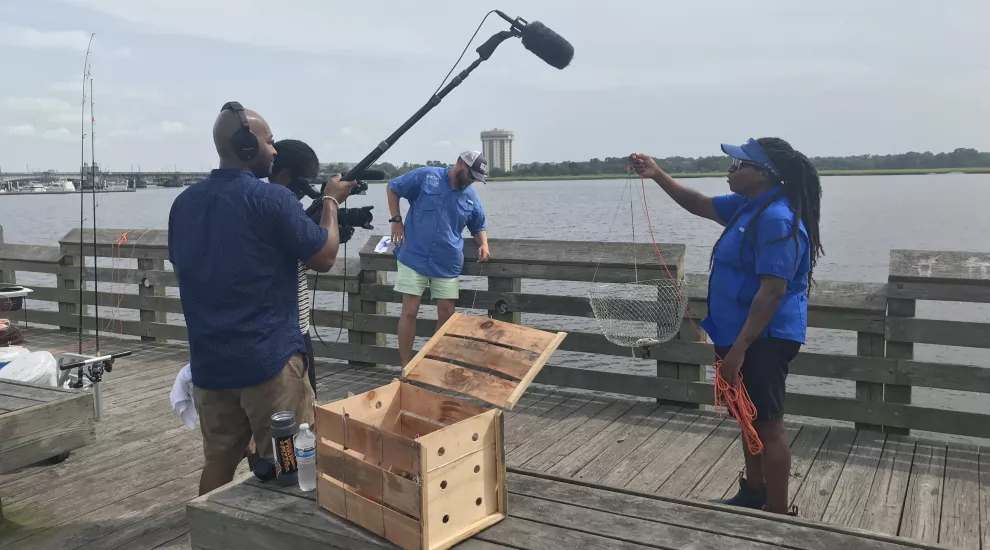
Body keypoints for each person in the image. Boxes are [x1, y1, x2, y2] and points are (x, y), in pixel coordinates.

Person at [168, 102, 357, 495]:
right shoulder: (272, 200)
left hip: (209, 366)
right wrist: (331, 203)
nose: (274, 150)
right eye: (269, 142)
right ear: (248, 147)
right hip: (269, 366)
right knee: (293, 467)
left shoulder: (183, 204)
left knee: (218, 461)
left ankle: (210, 536)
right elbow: (324, 255)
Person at [631, 137, 823, 516]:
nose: (731, 170)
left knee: (768, 425)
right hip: (738, 334)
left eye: (740, 165)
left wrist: (740, 350)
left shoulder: (777, 219)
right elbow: (700, 204)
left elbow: (772, 292)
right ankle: (754, 492)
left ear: (765, 175)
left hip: (762, 338)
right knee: (747, 415)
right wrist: (656, 174)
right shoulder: (748, 206)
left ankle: (778, 512)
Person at [386, 151, 491, 366]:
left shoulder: (471, 196)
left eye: (476, 180)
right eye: (471, 176)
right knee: (409, 311)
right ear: (461, 163)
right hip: (413, 255)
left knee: (447, 313)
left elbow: (478, 225)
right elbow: (393, 187)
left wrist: (484, 244)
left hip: (447, 262)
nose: (472, 182)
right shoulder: (426, 176)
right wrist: (396, 220)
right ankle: (405, 366)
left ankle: (429, 364)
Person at [268, 138, 323, 394]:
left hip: (287, 330)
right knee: (301, 421)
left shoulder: (257, 204)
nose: (309, 189)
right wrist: (331, 205)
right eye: (306, 181)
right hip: (290, 337)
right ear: (287, 175)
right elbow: (323, 260)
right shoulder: (281, 207)